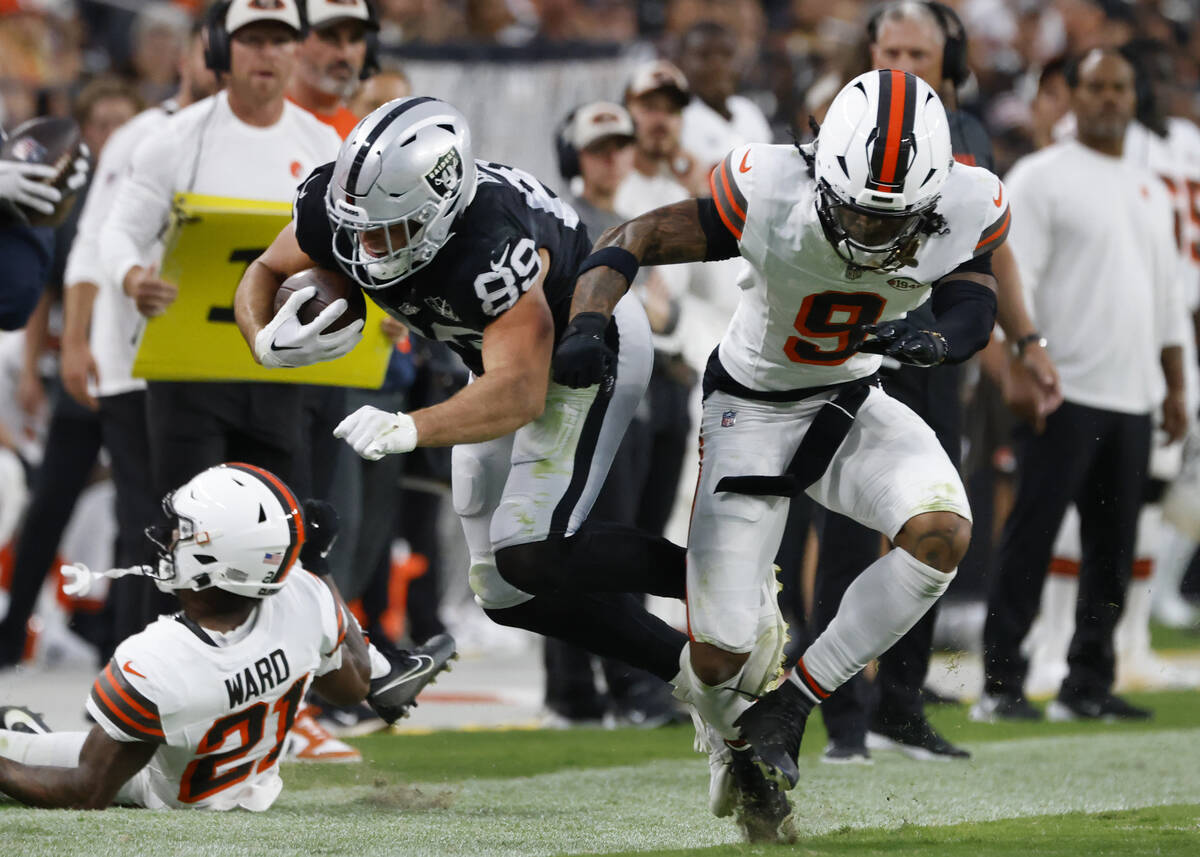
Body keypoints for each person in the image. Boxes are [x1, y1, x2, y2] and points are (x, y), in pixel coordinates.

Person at [232, 98, 773, 807]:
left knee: (531, 552)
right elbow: (262, 273)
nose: (368, 250)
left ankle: (727, 579)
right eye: (360, 230)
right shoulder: (345, 205)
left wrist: (413, 427)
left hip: (589, 347)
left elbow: (520, 391)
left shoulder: (489, 243)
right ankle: (694, 680)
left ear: (440, 205)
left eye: (391, 230)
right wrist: (261, 339)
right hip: (493, 361)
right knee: (500, 589)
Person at [554, 69, 1005, 818]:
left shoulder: (967, 199)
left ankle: (793, 704)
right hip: (751, 408)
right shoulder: (768, 186)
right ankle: (735, 730)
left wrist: (938, 337)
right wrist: (586, 322)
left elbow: (973, 300)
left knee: (941, 532)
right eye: (858, 213)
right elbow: (629, 235)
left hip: (851, 400)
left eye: (891, 220)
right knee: (718, 654)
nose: (870, 233)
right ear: (823, 168)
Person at [807, 0, 1062, 765]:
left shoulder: (970, 133)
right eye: (891, 49)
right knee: (849, 529)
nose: (903, 65)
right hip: (854, 346)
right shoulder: (842, 120)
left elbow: (993, 250)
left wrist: (1023, 339)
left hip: (936, 347)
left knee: (934, 516)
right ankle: (841, 713)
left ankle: (901, 703)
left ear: (948, 62)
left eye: (918, 53)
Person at [972, 48, 1187, 724]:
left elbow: (1169, 298)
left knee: (1112, 550)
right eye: (1093, 87)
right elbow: (1016, 282)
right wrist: (1015, 370)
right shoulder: (1041, 178)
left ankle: (1087, 679)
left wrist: (1176, 384)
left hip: (1134, 393)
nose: (1106, 100)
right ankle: (1001, 681)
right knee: (1031, 536)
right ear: (1072, 97)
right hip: (1062, 389)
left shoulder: (1151, 186)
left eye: (1118, 87)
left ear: (1134, 94)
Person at [0, 464, 371, 810]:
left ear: (213, 558)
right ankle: (26, 736)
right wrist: (320, 566)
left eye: (184, 531)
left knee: (35, 753)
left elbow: (87, 789)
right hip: (244, 779)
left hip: (165, 788)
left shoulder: (159, 658)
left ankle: (24, 738)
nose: (170, 538)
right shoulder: (304, 595)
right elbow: (354, 687)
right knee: (24, 741)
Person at [0, 78, 143, 668]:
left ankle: (122, 631)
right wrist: (38, 367)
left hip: (146, 373)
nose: (112, 134)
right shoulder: (75, 196)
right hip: (83, 367)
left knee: (138, 512)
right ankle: (15, 628)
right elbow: (33, 297)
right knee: (50, 504)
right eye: (101, 122)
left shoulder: (160, 180)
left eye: (121, 121)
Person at [677, 20, 772, 174]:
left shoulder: (749, 111)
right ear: (682, 62)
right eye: (704, 55)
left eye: (726, 54)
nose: (717, 65)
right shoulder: (678, 121)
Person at [288, 0, 379, 139]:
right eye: (330, 37)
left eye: (355, 39)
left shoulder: (358, 137)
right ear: (296, 42)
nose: (345, 54)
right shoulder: (259, 120)